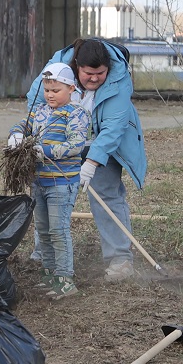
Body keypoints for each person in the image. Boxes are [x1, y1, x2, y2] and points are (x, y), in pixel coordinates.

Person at [26, 37, 146, 281]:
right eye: (88, 73)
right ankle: (45, 255)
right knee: (50, 193)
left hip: (99, 142)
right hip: (59, 146)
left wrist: (91, 163)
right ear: (75, 68)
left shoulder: (118, 80)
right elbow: (35, 104)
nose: (94, 79)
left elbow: (114, 127)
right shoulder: (56, 70)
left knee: (107, 194)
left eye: (100, 73)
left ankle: (119, 259)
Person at [9, 62, 90, 298]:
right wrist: (16, 134)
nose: (50, 95)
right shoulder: (40, 110)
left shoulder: (77, 113)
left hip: (61, 182)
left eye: (56, 90)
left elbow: (75, 145)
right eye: (47, 90)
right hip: (39, 181)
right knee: (43, 230)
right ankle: (50, 274)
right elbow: (25, 124)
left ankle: (65, 279)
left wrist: (45, 150)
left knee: (58, 230)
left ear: (71, 89)